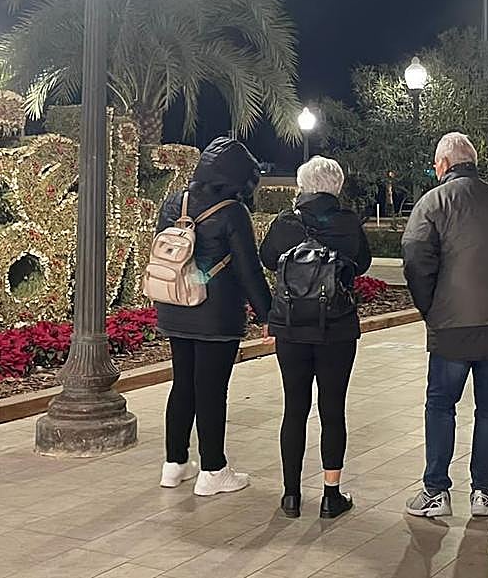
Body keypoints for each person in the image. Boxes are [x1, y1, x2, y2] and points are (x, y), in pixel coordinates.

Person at [401, 133, 488, 518]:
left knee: (441, 405)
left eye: (436, 164)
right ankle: (484, 492)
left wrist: (429, 305)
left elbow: (415, 257)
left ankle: (436, 491)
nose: (435, 170)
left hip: (451, 325)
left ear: (446, 164)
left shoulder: (433, 203)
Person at [155, 137, 272, 495]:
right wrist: (267, 313)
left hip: (174, 303)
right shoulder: (232, 212)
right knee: (211, 390)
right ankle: (213, 469)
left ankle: (174, 464)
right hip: (215, 313)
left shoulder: (176, 201)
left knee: (183, 385)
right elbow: (247, 269)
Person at [260, 156, 372, 520]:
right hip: (336, 328)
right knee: (332, 408)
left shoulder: (285, 223)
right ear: (336, 186)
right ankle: (330, 495)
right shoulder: (347, 223)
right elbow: (364, 262)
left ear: (302, 185)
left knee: (294, 407)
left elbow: (267, 258)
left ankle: (291, 496)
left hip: (291, 328)